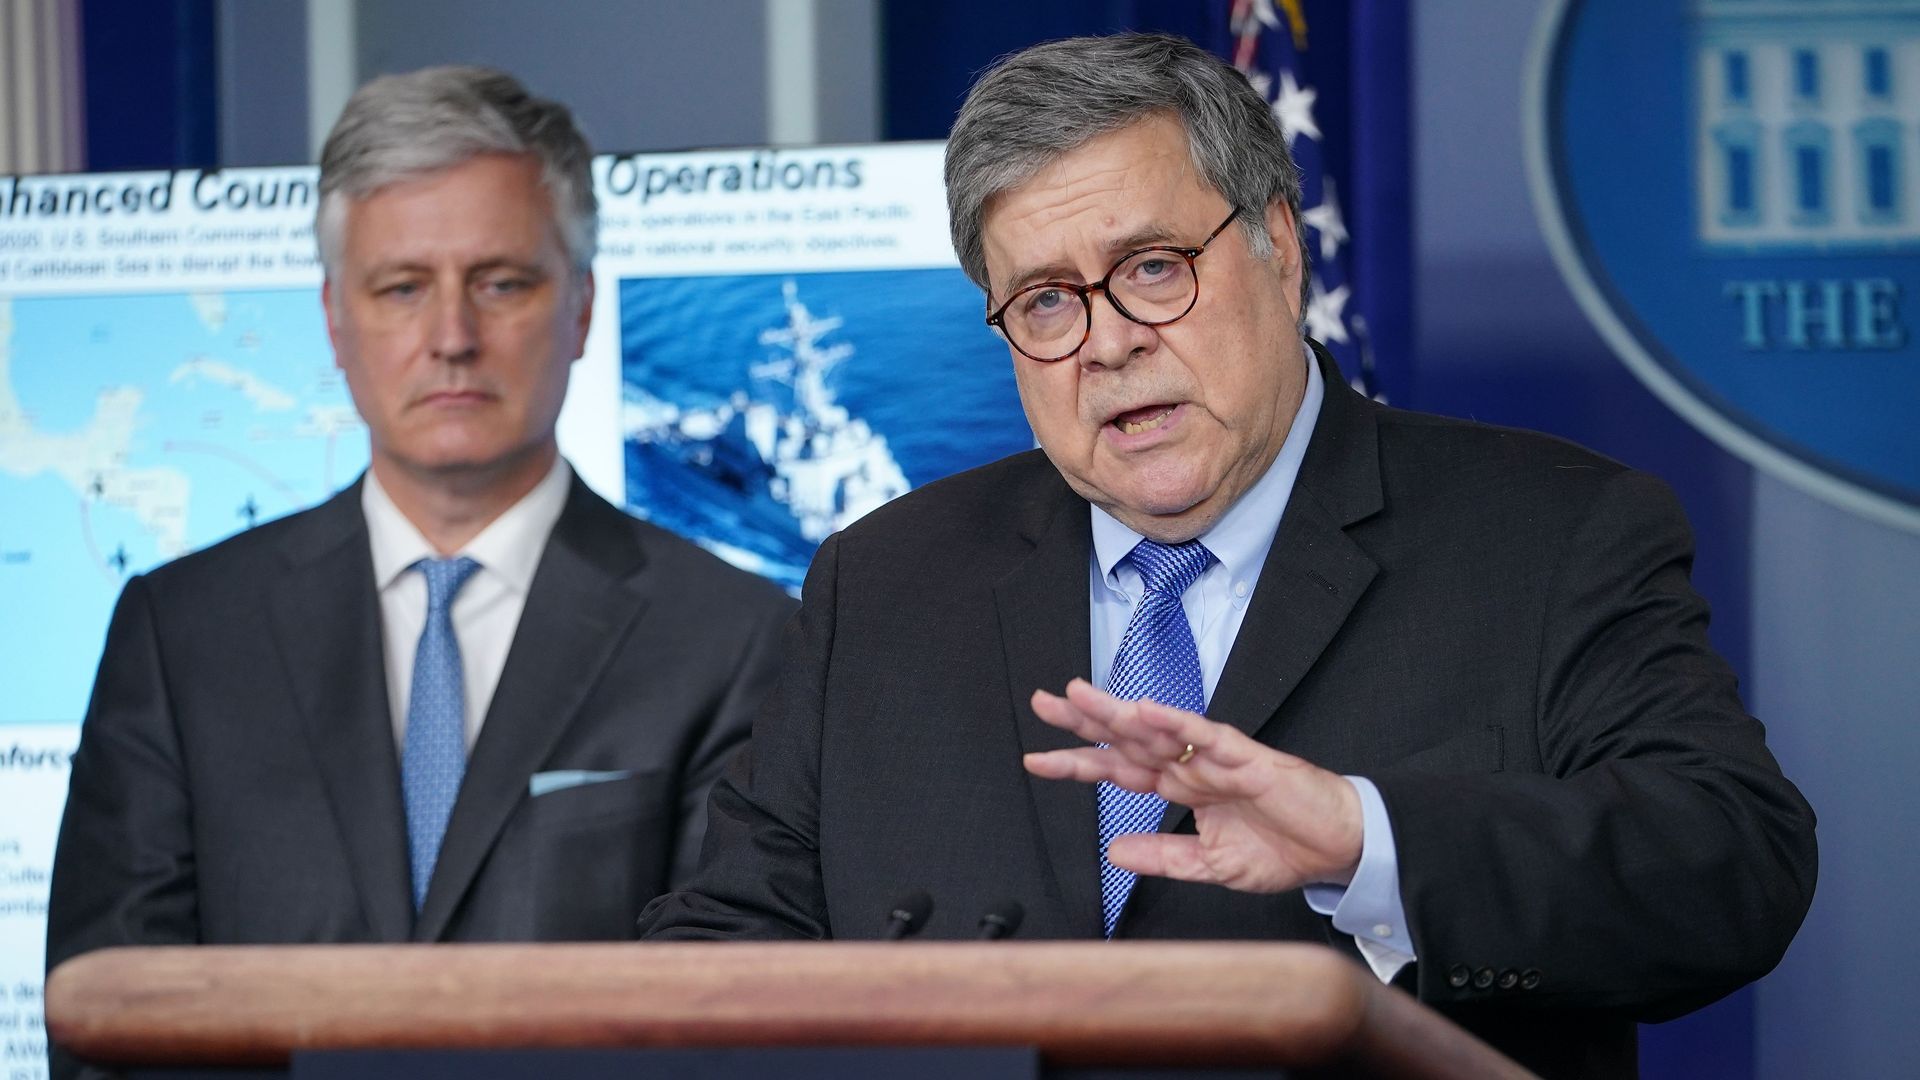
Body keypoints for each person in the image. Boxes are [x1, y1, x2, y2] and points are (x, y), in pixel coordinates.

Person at [638, 33, 1816, 1079]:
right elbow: (725, 944)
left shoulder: (1551, 532)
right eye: (1045, 302)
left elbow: (1732, 868)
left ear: (1280, 249)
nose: (1107, 344)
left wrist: (1366, 838)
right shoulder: (884, 580)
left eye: (1153, 267)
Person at [46, 64, 793, 1054]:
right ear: (334, 320)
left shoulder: (736, 640)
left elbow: (732, 1036)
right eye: (402, 287)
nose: (452, 337)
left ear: (580, 308)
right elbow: (109, 1024)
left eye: (501, 282)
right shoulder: (182, 634)